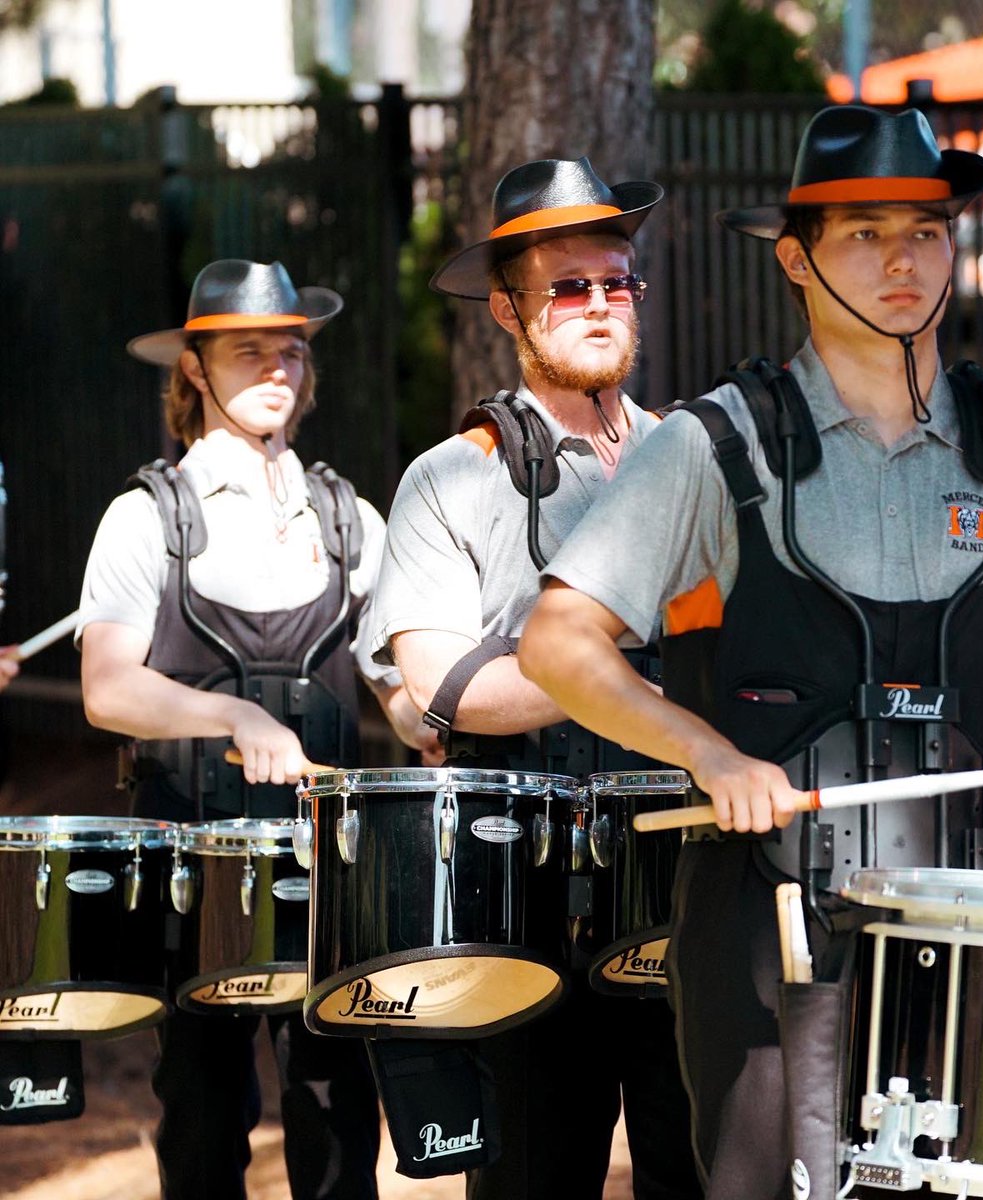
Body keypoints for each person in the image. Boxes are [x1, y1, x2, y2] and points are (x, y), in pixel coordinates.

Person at [518, 106, 983, 1199]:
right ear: (796, 257)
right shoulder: (713, 445)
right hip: (766, 933)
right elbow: (558, 641)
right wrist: (709, 754)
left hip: (970, 937)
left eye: (924, 230)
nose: (901, 259)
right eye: (863, 232)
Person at [370, 157, 700, 1199]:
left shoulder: (700, 458)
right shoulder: (451, 475)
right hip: (524, 908)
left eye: (618, 280)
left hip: (686, 893)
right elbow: (442, 689)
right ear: (509, 309)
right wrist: (625, 673)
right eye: (569, 285)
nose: (601, 303)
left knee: (702, 1174)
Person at [77, 258, 435, 1200]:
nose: (278, 368)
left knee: (339, 1116)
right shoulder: (143, 517)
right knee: (202, 1113)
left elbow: (391, 683)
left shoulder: (350, 516)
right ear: (196, 368)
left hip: (331, 863)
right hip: (191, 866)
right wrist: (231, 715)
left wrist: (428, 722)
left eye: (291, 350)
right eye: (249, 352)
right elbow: (108, 689)